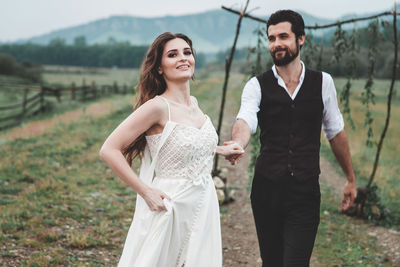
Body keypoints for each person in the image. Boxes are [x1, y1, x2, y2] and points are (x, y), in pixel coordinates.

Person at [224, 10, 357, 267]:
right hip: (266, 191)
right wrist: (238, 143)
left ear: (301, 39)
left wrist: (350, 178)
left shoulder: (323, 82)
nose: (276, 44)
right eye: (271, 38)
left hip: (305, 191)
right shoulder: (256, 85)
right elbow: (245, 119)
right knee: (272, 262)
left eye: (283, 36)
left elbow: (335, 132)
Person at [99, 32, 243, 267]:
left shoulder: (194, 105)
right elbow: (109, 149)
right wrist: (146, 192)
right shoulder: (156, 107)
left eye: (187, 52)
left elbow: (182, 143)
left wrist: (219, 150)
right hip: (171, 204)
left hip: (204, 201)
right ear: (159, 68)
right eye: (173, 55)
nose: (183, 58)